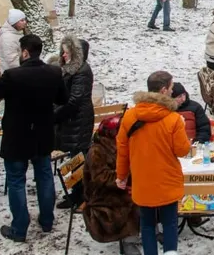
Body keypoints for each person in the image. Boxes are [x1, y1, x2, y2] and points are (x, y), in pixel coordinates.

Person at [0, 34, 68, 242]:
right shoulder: (54, 73)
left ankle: (19, 228)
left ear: (25, 52)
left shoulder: (12, 76)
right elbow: (63, 99)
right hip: (42, 134)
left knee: (16, 180)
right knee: (44, 176)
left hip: (17, 136)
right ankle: (46, 221)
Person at [116, 71, 192, 255]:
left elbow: (122, 149)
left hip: (143, 180)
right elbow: (182, 150)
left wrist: (121, 176)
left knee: (147, 224)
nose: (173, 92)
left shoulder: (130, 116)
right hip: (168, 179)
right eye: (172, 88)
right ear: (164, 90)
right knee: (170, 222)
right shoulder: (173, 119)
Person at [82, 115, 140, 244]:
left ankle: (149, 231)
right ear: (112, 133)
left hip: (117, 186)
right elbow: (101, 178)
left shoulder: (118, 145)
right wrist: (125, 177)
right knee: (139, 199)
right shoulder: (97, 151)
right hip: (102, 194)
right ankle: (129, 240)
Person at [54, 35, 94, 208]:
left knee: (78, 157)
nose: (63, 56)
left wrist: (56, 115)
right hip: (73, 120)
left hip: (78, 120)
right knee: (75, 156)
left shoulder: (82, 71)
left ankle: (80, 195)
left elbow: (74, 100)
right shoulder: (71, 69)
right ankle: (77, 192)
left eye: (66, 53)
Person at [0, 8, 27, 73]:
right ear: (14, 22)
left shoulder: (17, 33)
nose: (25, 22)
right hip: (12, 74)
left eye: (25, 20)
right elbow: (12, 60)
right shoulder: (8, 38)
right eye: (22, 20)